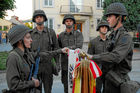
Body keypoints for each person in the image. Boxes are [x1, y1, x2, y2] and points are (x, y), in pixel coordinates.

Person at [90, 2, 133, 93]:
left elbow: (116, 56)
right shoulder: (112, 35)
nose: (107, 19)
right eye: (107, 16)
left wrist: (93, 57)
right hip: (109, 79)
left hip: (119, 81)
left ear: (119, 17)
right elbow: (107, 54)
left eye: (110, 16)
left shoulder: (125, 37)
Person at [30, 9, 67, 93]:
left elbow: (56, 49)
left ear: (44, 19)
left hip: (48, 66)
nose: (39, 19)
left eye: (41, 17)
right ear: (34, 19)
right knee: (36, 90)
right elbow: (28, 51)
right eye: (37, 17)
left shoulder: (51, 32)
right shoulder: (30, 33)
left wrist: (57, 64)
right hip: (35, 66)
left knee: (48, 89)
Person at [6, 25, 40, 93]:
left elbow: (42, 54)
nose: (31, 40)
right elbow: (14, 85)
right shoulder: (13, 57)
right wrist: (33, 83)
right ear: (20, 40)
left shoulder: (26, 54)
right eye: (28, 38)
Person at [58, 14, 83, 93]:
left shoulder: (78, 34)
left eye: (70, 21)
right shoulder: (61, 35)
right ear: (64, 23)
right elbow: (59, 49)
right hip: (65, 65)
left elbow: (79, 45)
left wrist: (67, 49)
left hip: (76, 65)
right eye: (67, 21)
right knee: (66, 85)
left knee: (76, 86)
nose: (69, 22)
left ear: (73, 22)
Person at [87, 20, 110, 93]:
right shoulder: (93, 42)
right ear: (99, 29)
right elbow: (89, 57)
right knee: (97, 90)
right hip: (97, 70)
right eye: (102, 27)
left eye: (106, 27)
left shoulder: (111, 41)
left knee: (107, 90)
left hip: (109, 70)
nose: (104, 28)